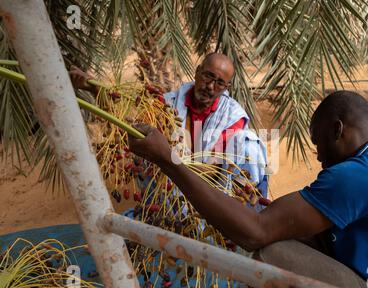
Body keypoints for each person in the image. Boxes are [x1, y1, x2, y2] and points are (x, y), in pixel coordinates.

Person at [127, 90, 368, 288]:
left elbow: (255, 232)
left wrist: (167, 160)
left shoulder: (355, 176)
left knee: (273, 254)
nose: (318, 156)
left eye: (318, 143)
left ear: (337, 130)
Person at [69, 53, 268, 197]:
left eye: (219, 83)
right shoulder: (166, 103)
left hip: (210, 196)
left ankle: (241, 216)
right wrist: (93, 89)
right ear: (197, 71)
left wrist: (169, 159)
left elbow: (213, 171)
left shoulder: (232, 116)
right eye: (208, 76)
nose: (210, 86)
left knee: (249, 145)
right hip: (169, 192)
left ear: (226, 88)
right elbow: (126, 126)